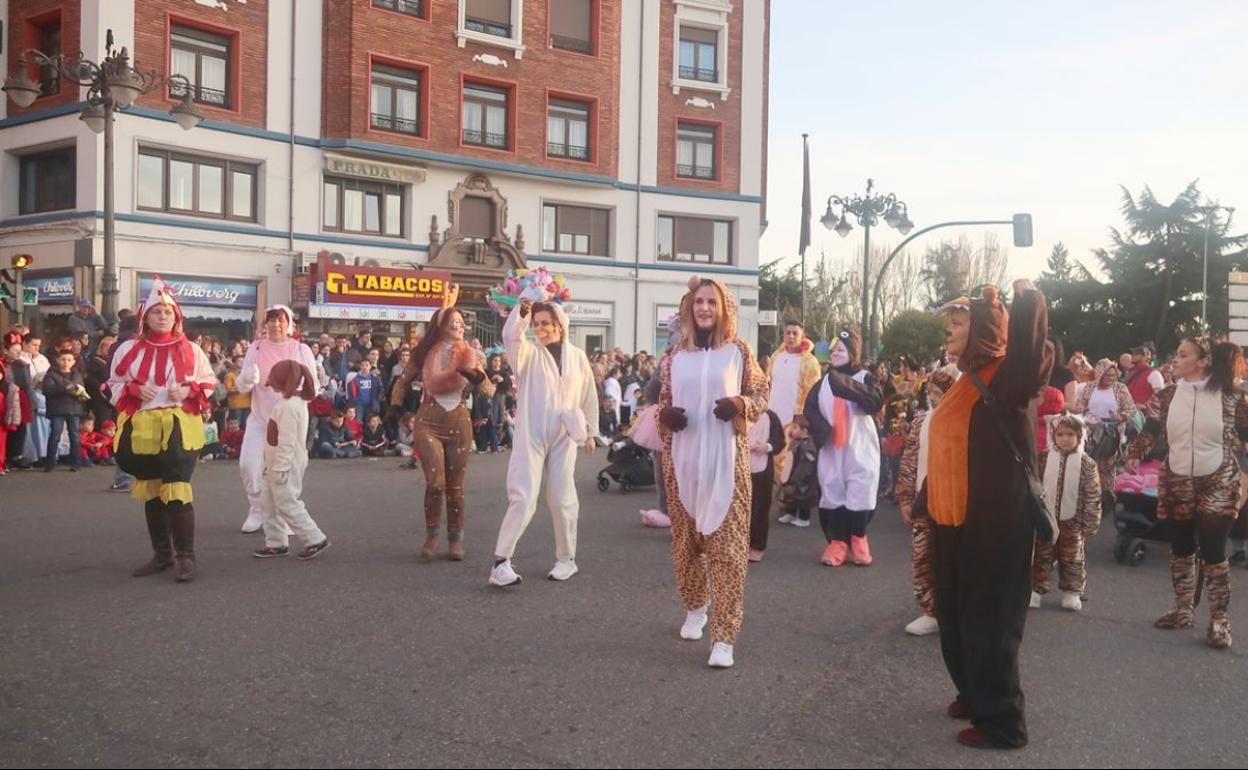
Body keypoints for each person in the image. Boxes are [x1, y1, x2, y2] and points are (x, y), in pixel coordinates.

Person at [916, 281, 1052, 749]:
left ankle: (1002, 722)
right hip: (953, 521)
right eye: (950, 325)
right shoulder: (961, 380)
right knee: (955, 613)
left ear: (982, 333)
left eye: (958, 325)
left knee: (991, 621)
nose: (949, 333)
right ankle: (974, 693)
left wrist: (1027, 300)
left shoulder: (1008, 378)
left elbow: (1032, 353)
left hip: (995, 524)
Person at [658, 276, 767, 669]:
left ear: (723, 309)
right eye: (699, 301)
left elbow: (761, 393)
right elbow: (663, 403)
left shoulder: (738, 352)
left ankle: (724, 635)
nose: (704, 308)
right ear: (689, 307)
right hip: (684, 465)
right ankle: (695, 606)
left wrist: (739, 402)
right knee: (686, 548)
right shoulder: (674, 357)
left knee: (729, 552)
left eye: (712, 302)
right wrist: (665, 415)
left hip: (726, 463)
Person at [1127, 339, 1248, 649]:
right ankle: (1183, 610)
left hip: (1219, 477)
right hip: (1177, 477)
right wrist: (1134, 455)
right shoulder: (1166, 394)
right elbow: (1151, 428)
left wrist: (1245, 474)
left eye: (1183, 355)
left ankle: (1219, 621)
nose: (1175, 359)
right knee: (1181, 545)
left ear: (1203, 361)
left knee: (1213, 547)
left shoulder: (1232, 395)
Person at [109, 278, 217, 582]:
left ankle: (186, 557)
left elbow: (209, 383)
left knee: (178, 489)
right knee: (153, 491)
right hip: (142, 426)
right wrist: (132, 387)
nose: (163, 317)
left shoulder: (192, 350)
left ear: (177, 317)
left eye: (168, 313)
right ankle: (162, 555)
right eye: (157, 312)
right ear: (146, 316)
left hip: (178, 426)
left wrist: (189, 391)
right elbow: (113, 385)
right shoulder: (127, 349)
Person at [489, 299, 600, 587]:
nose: (540, 329)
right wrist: (522, 313)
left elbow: (588, 393)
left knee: (563, 497)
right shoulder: (526, 354)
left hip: (565, 433)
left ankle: (567, 559)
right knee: (523, 496)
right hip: (531, 432)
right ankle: (501, 562)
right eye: (536, 324)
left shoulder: (577, 357)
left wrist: (589, 431)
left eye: (544, 323)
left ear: (559, 324)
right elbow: (511, 336)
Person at [391, 286, 484, 561]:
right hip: (428, 420)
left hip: (458, 420)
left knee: (456, 486)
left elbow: (488, 388)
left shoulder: (470, 353)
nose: (460, 327)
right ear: (441, 325)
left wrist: (479, 378)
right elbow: (403, 380)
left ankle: (455, 539)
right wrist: (398, 405)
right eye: (454, 322)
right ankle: (432, 534)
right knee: (435, 483)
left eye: (462, 323)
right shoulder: (424, 352)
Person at [804, 327, 885, 567]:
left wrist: (848, 387)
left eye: (841, 349)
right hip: (832, 448)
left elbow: (876, 400)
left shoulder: (864, 377)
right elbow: (811, 408)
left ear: (852, 352)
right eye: (833, 350)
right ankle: (837, 542)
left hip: (859, 447)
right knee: (833, 490)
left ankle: (858, 538)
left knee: (860, 490)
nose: (835, 353)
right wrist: (822, 430)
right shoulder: (824, 382)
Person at [234, 306, 318, 534]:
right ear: (265, 324)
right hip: (260, 419)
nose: (275, 325)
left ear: (288, 324)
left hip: (290, 422)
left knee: (287, 470)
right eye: (271, 320)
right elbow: (241, 386)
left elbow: (315, 388)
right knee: (249, 465)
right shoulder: (257, 347)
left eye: (280, 320)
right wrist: (247, 378)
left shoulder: (301, 349)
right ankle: (257, 509)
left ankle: (285, 514)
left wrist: (294, 389)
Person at [894, 364, 959, 636]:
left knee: (955, 557)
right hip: (924, 502)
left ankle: (958, 613)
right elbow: (908, 462)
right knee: (923, 556)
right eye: (931, 390)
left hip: (955, 503)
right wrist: (905, 498)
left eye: (940, 390)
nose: (934, 396)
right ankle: (930, 610)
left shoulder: (966, 423)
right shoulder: (922, 421)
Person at [253, 360, 331, 561]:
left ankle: (315, 538)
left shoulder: (288, 406)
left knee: (287, 502)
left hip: (285, 464)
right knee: (268, 502)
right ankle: (276, 542)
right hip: (279, 462)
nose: (273, 385)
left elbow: (286, 441)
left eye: (276, 380)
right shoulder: (293, 403)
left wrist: (279, 468)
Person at [1030, 414, 1102, 612]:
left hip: (1074, 522)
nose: (1065, 438)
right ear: (1053, 436)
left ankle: (1072, 592)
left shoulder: (1087, 464)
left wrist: (1090, 522)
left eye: (1070, 434)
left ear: (1079, 436)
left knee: (1072, 558)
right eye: (1060, 434)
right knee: (1041, 556)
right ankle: (1036, 589)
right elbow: (1034, 489)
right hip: (1047, 520)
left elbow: (1092, 495)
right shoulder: (1043, 459)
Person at [767, 320, 821, 490]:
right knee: (773, 463)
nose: (790, 337)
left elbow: (813, 393)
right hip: (773, 417)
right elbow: (768, 383)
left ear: (802, 336)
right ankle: (783, 503)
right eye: (787, 333)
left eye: (795, 333)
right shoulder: (776, 356)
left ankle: (794, 507)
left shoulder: (810, 362)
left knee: (792, 465)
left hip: (794, 421)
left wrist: (803, 418)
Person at [747, 406, 786, 562]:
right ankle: (738, 543)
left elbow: (780, 441)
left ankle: (757, 545)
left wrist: (766, 447)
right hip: (737, 467)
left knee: (759, 508)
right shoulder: (736, 412)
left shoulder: (770, 416)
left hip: (761, 469)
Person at [42, 349, 88, 472]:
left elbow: (82, 389)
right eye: (63, 359)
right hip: (57, 409)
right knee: (55, 436)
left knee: (74, 437)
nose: (65, 362)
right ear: (57, 360)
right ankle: (50, 463)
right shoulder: (51, 374)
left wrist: (79, 392)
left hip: (74, 409)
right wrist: (65, 388)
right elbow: (47, 390)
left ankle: (75, 463)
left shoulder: (77, 374)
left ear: (73, 361)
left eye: (69, 360)